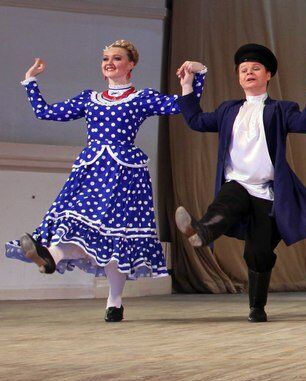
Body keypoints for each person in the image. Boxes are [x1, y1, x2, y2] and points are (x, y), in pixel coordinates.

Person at [7, 43, 203, 322]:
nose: (109, 62)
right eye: (105, 58)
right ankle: (50, 256)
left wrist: (191, 80)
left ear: (131, 64)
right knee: (75, 220)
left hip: (125, 173)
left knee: (115, 236)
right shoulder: (90, 99)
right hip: (91, 171)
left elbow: (183, 107)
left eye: (116, 58)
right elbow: (46, 112)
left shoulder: (141, 98)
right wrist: (30, 81)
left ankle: (114, 300)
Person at [174, 44, 306, 323]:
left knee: (258, 252)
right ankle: (203, 231)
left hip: (266, 193)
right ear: (238, 77)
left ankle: (257, 307)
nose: (249, 73)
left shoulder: (281, 109)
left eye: (255, 68)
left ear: (267, 75)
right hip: (237, 183)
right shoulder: (228, 109)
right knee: (228, 198)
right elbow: (196, 120)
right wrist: (187, 85)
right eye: (243, 70)